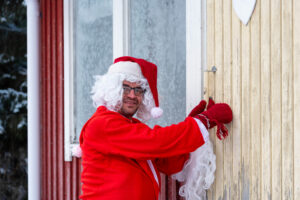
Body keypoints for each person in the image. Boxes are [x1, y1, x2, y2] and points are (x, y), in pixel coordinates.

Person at [78, 56, 232, 200]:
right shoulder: (102, 124)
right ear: (112, 90)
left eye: (138, 90)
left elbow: (169, 163)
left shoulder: (131, 126)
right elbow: (156, 141)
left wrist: (195, 124)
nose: (132, 95)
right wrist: (200, 122)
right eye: (125, 88)